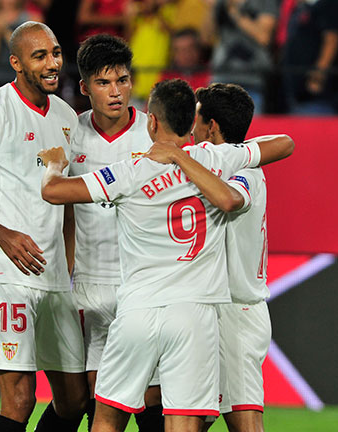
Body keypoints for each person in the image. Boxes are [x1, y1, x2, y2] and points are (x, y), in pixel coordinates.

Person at [37, 78, 293, 432]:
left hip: (138, 310)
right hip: (194, 314)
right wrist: (181, 155)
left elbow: (53, 192)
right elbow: (284, 144)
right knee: (183, 422)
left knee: (108, 417)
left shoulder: (129, 170)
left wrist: (53, 164)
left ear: (152, 122)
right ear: (192, 122)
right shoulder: (215, 160)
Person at [0, 21, 89, 432]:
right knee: (20, 400)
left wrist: (68, 262)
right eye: (39, 56)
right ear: (16, 63)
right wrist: (3, 235)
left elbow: (66, 199)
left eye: (55, 53)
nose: (52, 63)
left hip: (54, 276)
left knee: (75, 399)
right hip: (4, 275)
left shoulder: (66, 116)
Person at [152, 83, 275, 432]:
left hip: (237, 312)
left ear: (212, 127)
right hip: (207, 308)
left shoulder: (244, 172)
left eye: (198, 118)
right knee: (192, 418)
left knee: (245, 421)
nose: (192, 127)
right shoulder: (211, 167)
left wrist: (179, 157)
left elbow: (231, 199)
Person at [69, 33, 161, 432]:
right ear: (85, 87)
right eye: (104, 82)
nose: (116, 91)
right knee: (98, 397)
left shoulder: (154, 134)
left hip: (141, 283)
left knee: (150, 398)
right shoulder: (70, 133)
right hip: (90, 284)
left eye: (122, 80)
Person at [204, 0, 277, 114]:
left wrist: (234, 12)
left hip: (251, 78)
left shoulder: (265, 2)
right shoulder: (221, 3)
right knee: (214, 122)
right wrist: (212, 9)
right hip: (221, 75)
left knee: (249, 123)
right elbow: (206, 38)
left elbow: (263, 37)